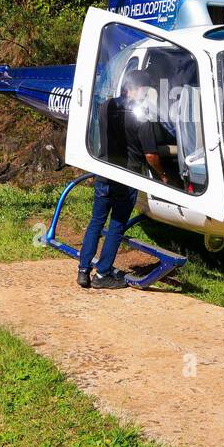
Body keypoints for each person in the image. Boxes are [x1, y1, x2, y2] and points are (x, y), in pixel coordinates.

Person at [77, 68, 169, 289]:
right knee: (117, 225)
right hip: (127, 177)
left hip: (103, 172)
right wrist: (163, 175)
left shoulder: (105, 107)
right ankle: (103, 275)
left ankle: (83, 270)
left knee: (96, 222)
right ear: (135, 89)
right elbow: (150, 155)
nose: (146, 95)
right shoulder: (142, 116)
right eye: (145, 90)